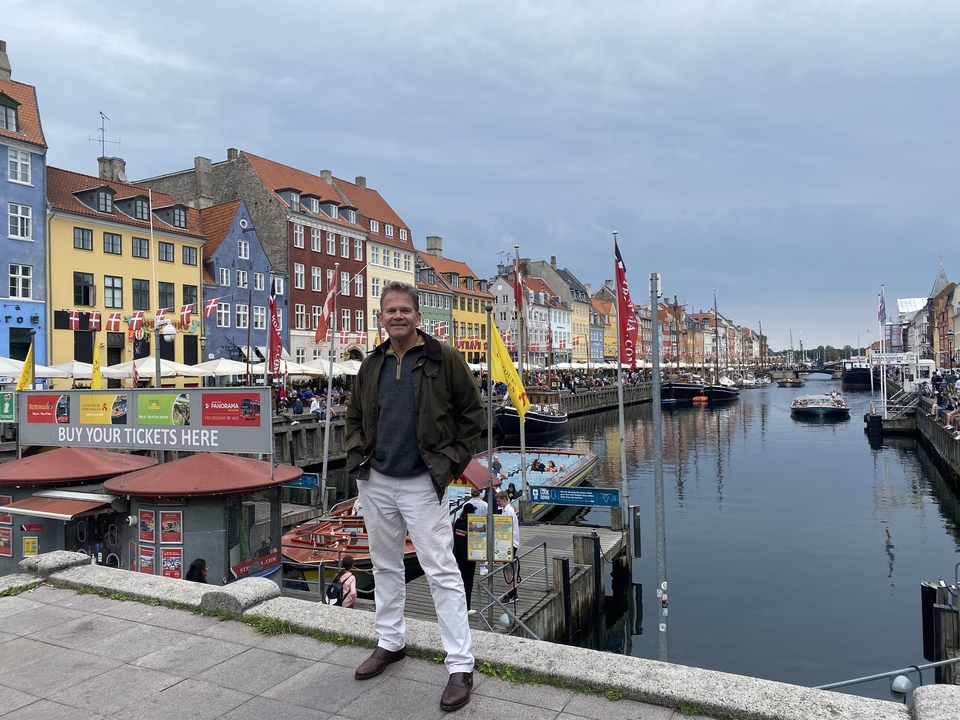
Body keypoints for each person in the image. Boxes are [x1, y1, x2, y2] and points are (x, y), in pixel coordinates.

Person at [346, 281, 483, 712]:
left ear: (418, 316)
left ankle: (460, 664)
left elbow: (472, 418)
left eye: (405, 309)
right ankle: (390, 641)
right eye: (391, 310)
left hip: (423, 481)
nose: (398, 316)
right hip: (377, 480)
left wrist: (447, 465)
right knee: (385, 565)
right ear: (382, 317)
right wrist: (357, 458)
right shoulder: (372, 364)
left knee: (441, 570)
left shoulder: (444, 360)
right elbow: (353, 416)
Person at [453, 503, 478, 615]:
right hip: (470, 556)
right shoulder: (471, 524)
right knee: (468, 581)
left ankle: (458, 604)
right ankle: (466, 607)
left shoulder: (458, 522)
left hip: (459, 555)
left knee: (461, 580)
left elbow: (454, 538)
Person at [496, 490, 520, 601]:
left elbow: (507, 529)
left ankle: (513, 594)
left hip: (510, 543)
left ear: (505, 499)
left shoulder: (509, 512)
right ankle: (511, 591)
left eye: (499, 501)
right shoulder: (505, 511)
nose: (498, 503)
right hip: (507, 542)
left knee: (510, 569)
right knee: (507, 569)